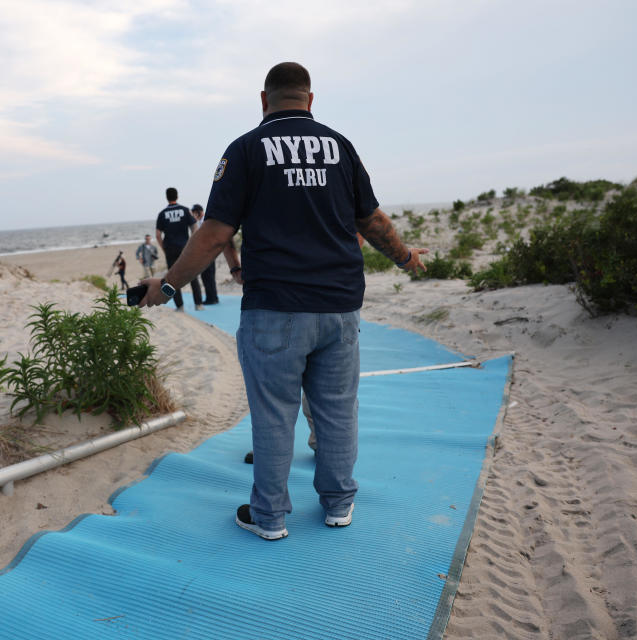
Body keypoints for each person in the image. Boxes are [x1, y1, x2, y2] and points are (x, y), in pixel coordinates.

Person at [138, 62, 427, 540]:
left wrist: (168, 286)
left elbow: (213, 234)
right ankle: (338, 504)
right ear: (310, 100)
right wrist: (406, 257)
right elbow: (372, 220)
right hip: (339, 308)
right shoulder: (341, 147)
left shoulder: (246, 149)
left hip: (274, 307)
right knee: (337, 409)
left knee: (274, 413)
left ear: (263, 100)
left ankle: (270, 517)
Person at [155, 187, 203, 311]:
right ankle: (198, 304)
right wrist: (192, 243)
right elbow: (194, 227)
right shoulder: (185, 210)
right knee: (192, 275)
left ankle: (180, 306)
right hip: (185, 248)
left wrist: (164, 247)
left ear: (167, 197)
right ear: (177, 196)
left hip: (170, 249)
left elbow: (158, 235)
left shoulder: (162, 214)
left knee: (172, 279)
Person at [190, 204, 220, 305]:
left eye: (194, 213)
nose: (193, 215)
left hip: (208, 252)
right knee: (208, 276)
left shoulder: (205, 221)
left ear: (198, 212)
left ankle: (211, 298)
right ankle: (213, 297)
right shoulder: (200, 222)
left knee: (208, 276)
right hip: (206, 252)